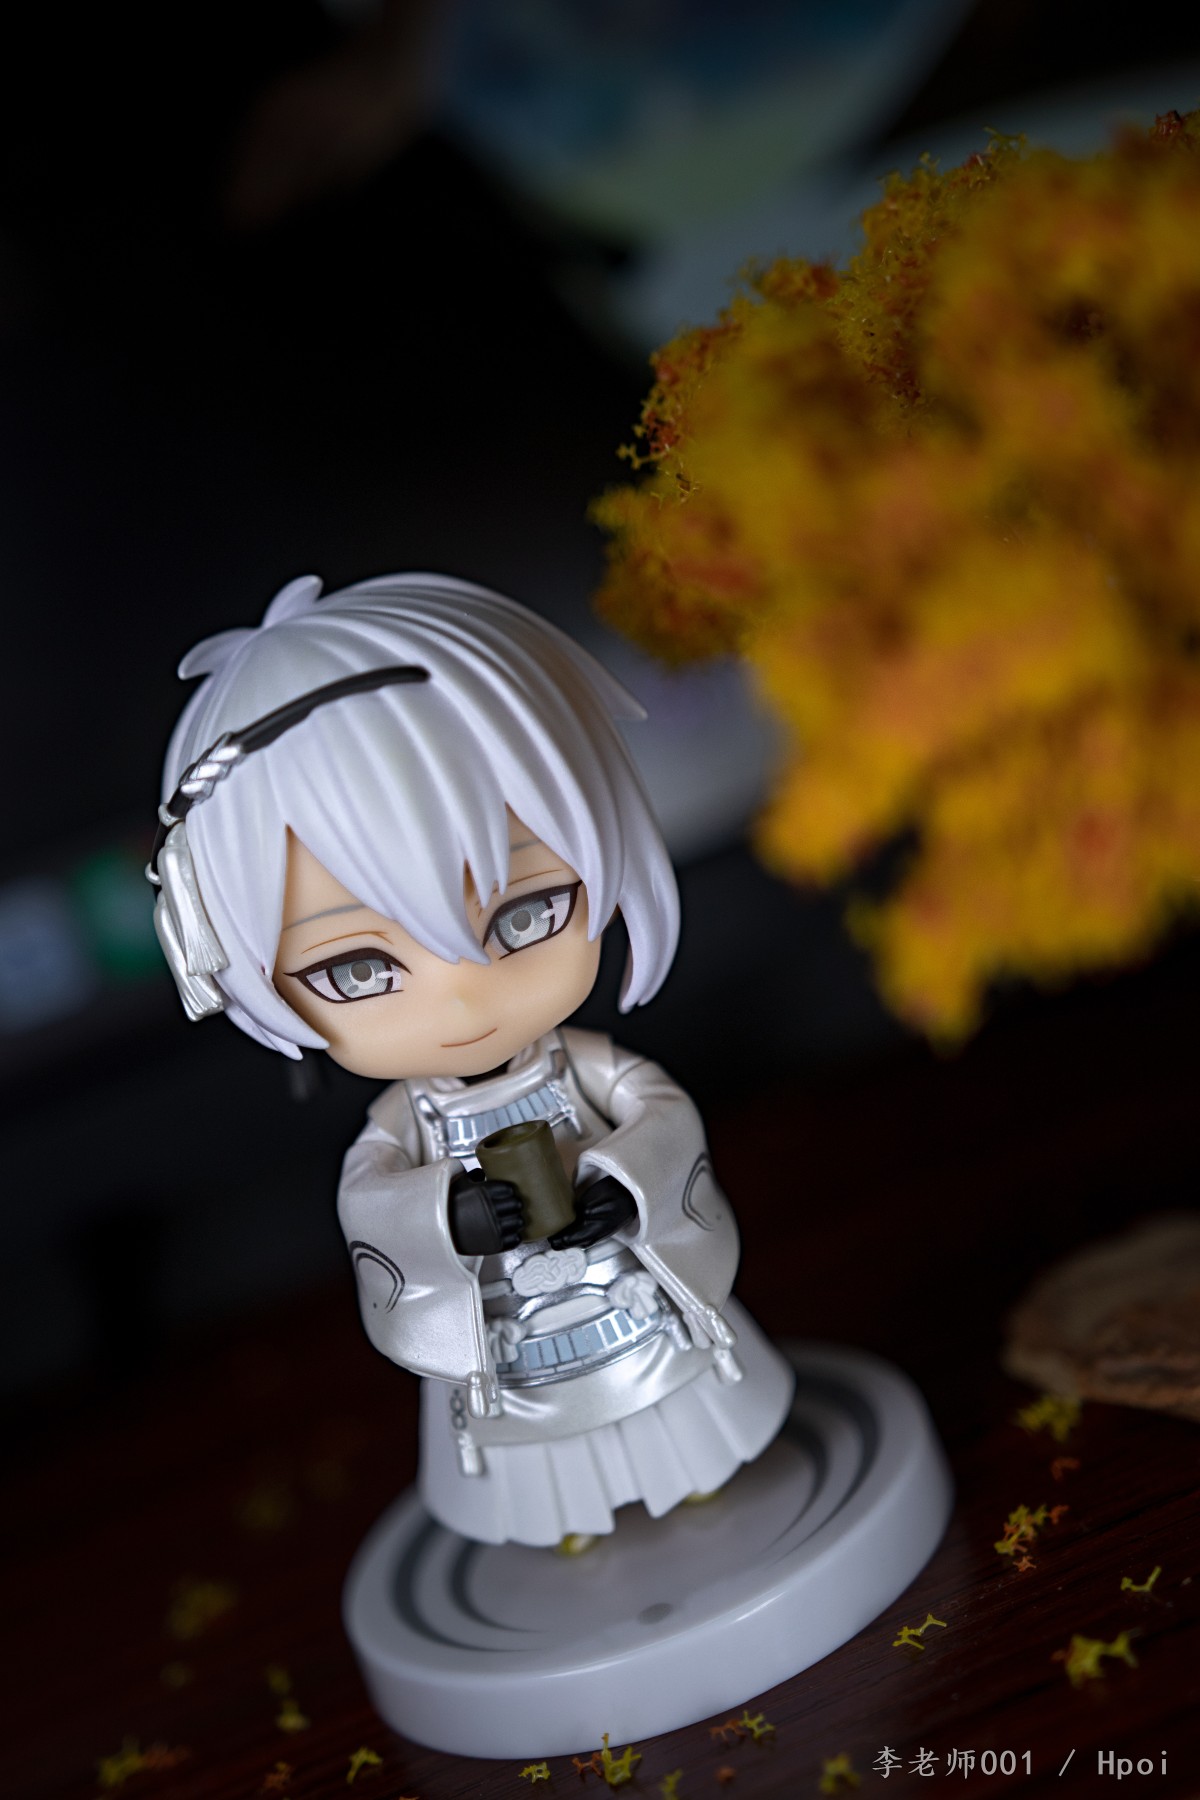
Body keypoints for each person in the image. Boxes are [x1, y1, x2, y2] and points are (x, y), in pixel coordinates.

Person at [152, 571, 793, 1547]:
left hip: (629, 1296)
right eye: (359, 970)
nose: (463, 996)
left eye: (524, 915)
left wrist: (627, 1185)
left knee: (685, 1417)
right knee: (544, 1479)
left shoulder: (590, 1071)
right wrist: (449, 1218)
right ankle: (563, 1527)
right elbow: (374, 1204)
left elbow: (660, 1119)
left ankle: (704, 1473)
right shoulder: (402, 1129)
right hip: (508, 1348)